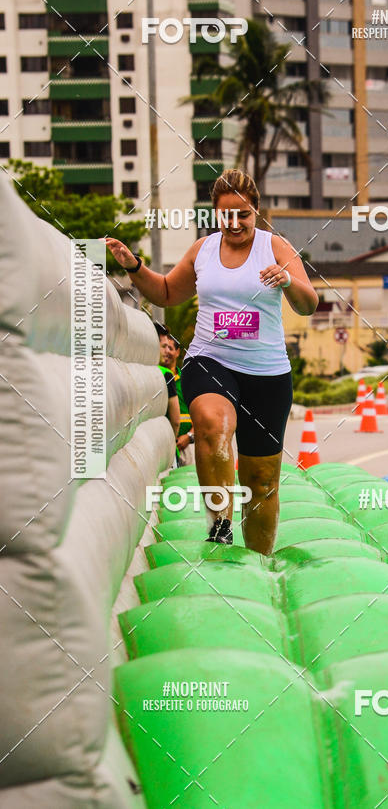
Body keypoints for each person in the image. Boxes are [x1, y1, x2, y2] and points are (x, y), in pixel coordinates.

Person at [105, 169, 318, 553]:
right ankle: (220, 527)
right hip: (210, 359)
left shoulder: (276, 248)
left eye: (244, 215)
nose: (235, 223)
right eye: (227, 215)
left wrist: (288, 280)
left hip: (267, 374)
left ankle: (257, 566)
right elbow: (168, 292)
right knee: (213, 426)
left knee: (262, 480)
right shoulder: (203, 250)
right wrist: (134, 266)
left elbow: (308, 305)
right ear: (215, 215)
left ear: (257, 211)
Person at [158, 329, 195, 466]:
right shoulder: (156, 377)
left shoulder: (187, 381)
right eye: (164, 347)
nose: (167, 351)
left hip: (188, 446)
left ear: (178, 352)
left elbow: (200, 413)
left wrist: (189, 437)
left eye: (171, 348)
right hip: (166, 446)